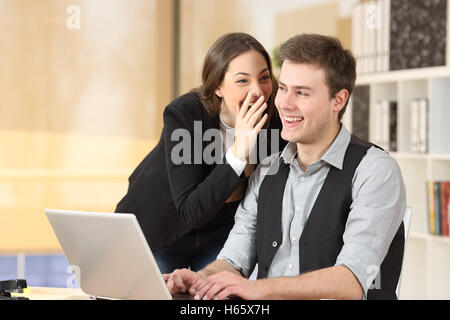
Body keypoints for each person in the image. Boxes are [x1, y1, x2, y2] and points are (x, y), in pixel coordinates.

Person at [163, 33, 407, 300]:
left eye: (301, 92)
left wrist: (256, 288)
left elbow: (351, 279)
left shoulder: (375, 171)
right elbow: (234, 260)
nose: (283, 104)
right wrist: (201, 278)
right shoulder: (267, 168)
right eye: (283, 89)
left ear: (338, 100)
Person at [115, 33, 285, 274]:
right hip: (164, 225)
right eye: (242, 81)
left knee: (217, 294)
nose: (257, 91)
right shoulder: (184, 114)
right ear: (218, 86)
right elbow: (191, 210)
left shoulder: (276, 118)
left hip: (222, 226)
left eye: (264, 77)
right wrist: (239, 150)